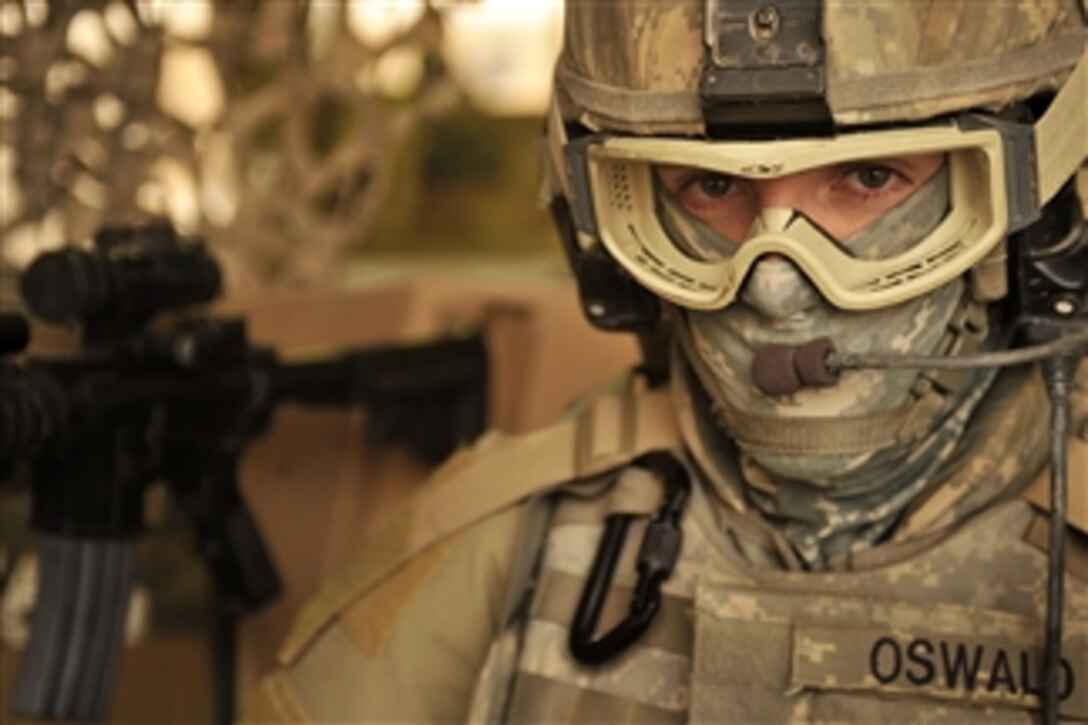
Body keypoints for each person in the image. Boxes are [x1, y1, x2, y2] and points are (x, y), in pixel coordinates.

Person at [242, 1, 1088, 721]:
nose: (779, 291)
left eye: (868, 178)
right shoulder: (509, 526)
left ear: (1037, 225)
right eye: (711, 189)